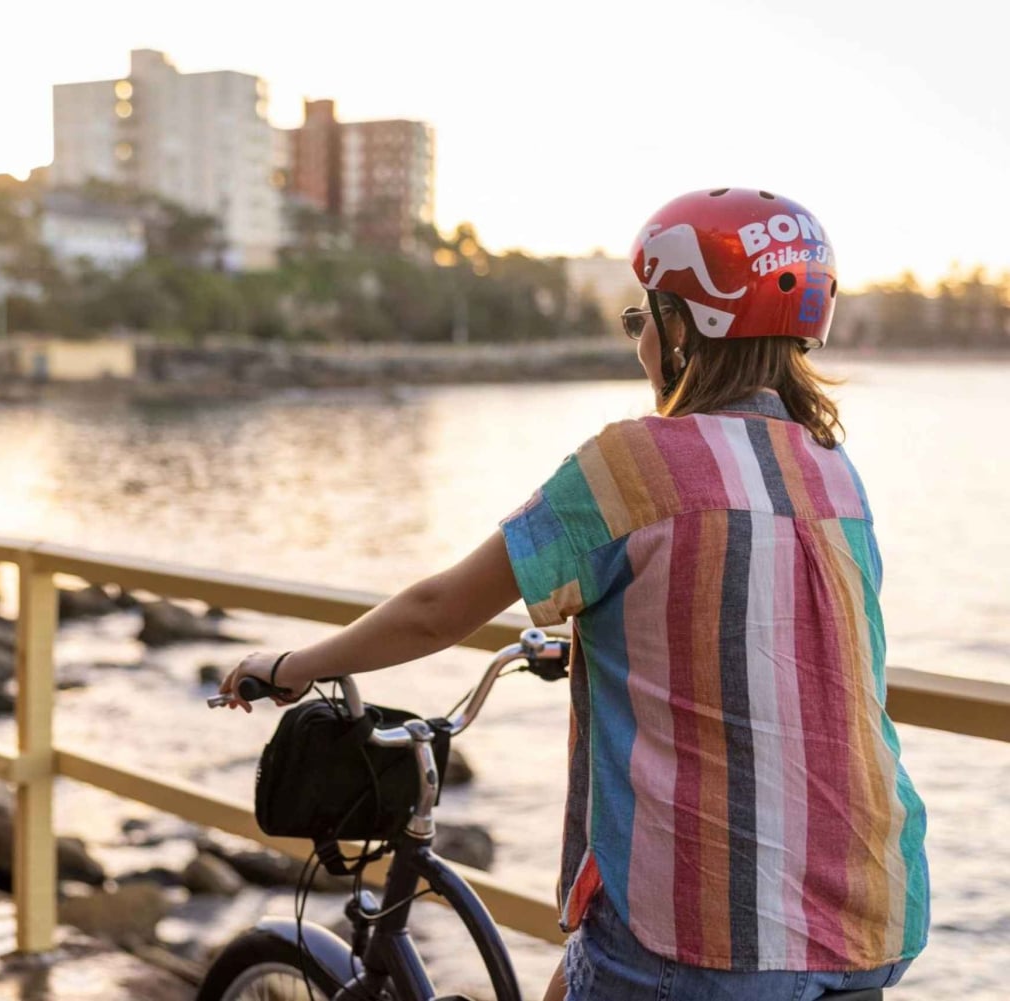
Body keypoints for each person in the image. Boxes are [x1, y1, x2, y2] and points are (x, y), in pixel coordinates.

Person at [220, 188, 928, 1001]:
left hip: (705, 930)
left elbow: (437, 610)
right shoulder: (833, 470)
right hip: (865, 905)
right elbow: (775, 629)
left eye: (643, 319)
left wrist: (291, 664)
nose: (640, 344)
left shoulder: (635, 466)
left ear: (684, 325)